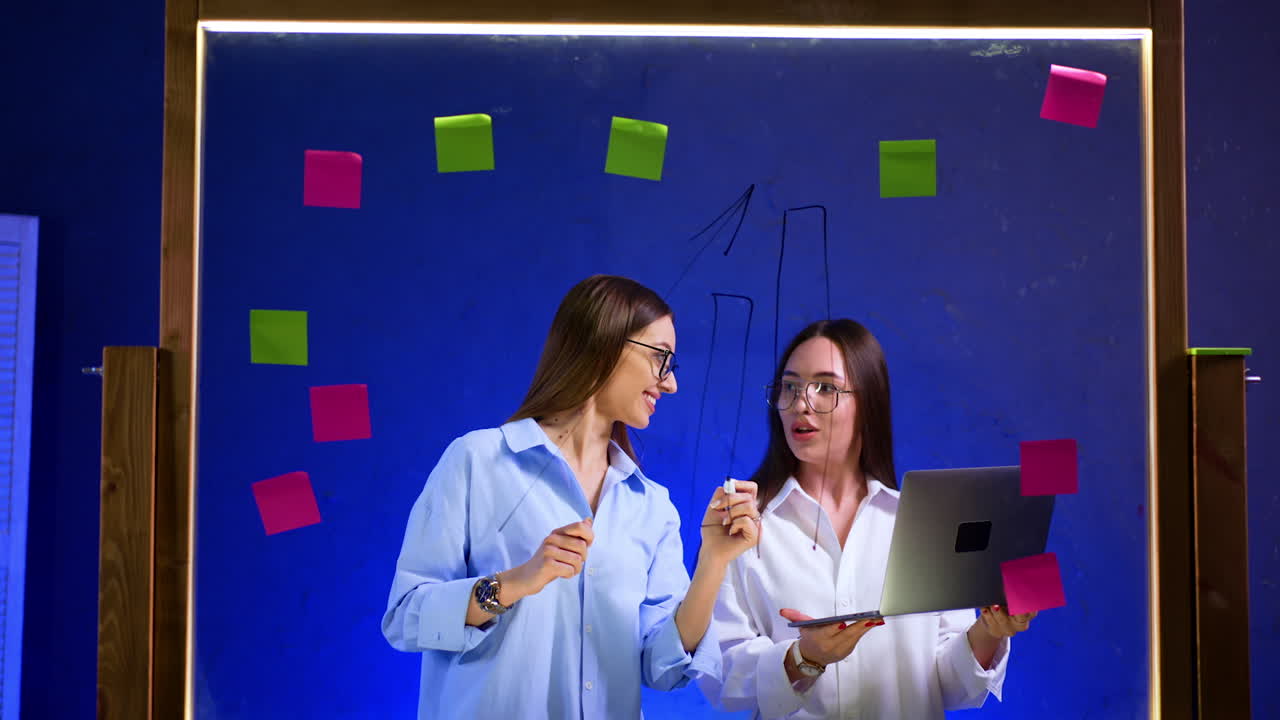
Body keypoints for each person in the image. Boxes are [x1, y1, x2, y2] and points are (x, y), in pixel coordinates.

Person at [381, 274, 761, 719]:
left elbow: (661, 667)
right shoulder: (476, 462)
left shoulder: (651, 505)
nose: (671, 383)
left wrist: (713, 562)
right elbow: (405, 618)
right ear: (605, 343)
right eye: (661, 358)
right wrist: (515, 583)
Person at [699, 319, 1036, 719]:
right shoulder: (743, 524)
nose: (801, 404)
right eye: (789, 387)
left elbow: (947, 684)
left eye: (825, 387)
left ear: (869, 402)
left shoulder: (925, 524)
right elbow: (721, 674)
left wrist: (989, 632)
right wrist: (803, 658)